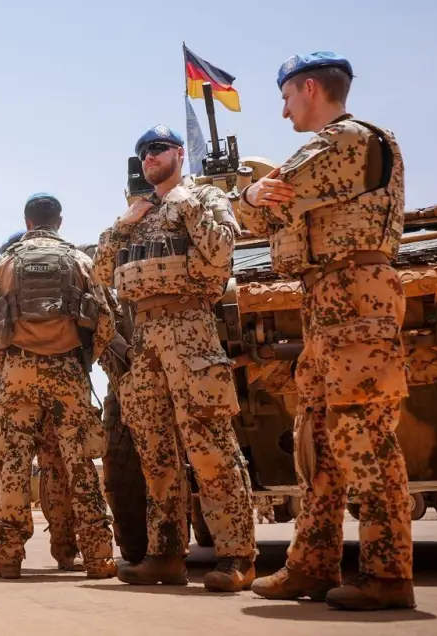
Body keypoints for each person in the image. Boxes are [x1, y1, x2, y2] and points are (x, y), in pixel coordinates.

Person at [234, 52, 414, 612]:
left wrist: (246, 195)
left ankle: (388, 573)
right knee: (318, 437)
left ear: (310, 88)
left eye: (286, 96)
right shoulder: (335, 145)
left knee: (362, 431)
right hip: (326, 300)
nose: (283, 110)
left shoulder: (346, 141)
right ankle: (312, 564)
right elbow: (267, 211)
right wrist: (256, 199)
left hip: (355, 297)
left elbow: (264, 210)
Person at [93, 127, 259, 592]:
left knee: (209, 446)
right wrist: (127, 220)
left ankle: (237, 556)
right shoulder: (137, 216)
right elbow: (103, 270)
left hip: (190, 330)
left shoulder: (204, 198)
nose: (149, 156)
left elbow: (218, 254)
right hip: (143, 338)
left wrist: (182, 200)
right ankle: (165, 554)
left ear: (179, 155)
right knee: (154, 454)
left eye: (158, 149)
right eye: (144, 152)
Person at [0, 193, 117, 580]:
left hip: (18, 370)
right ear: (60, 222)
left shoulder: (5, 263)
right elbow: (107, 317)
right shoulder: (80, 261)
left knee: (15, 464)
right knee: (80, 463)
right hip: (67, 370)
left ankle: (7, 557)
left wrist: (4, 359)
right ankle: (99, 557)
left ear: (28, 221)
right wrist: (85, 356)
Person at [0, 246, 84, 573]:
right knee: (5, 469)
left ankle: (64, 546)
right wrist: (1, 358)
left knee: (50, 468)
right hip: (7, 393)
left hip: (31, 385)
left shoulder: (41, 286)